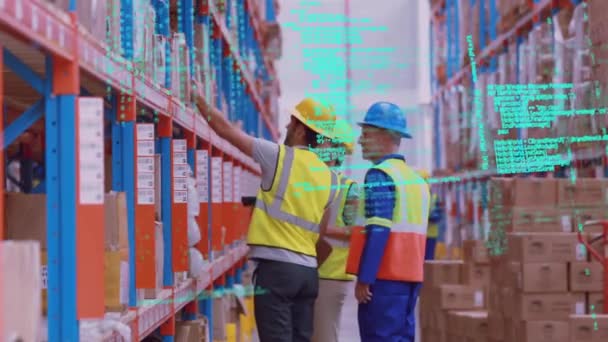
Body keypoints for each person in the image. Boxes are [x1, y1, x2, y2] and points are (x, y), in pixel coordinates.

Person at [195, 92, 339, 342]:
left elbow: (225, 130)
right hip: (308, 275)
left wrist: (197, 98)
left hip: (277, 271)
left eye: (291, 122)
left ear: (301, 129)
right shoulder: (331, 178)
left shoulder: (278, 156)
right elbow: (321, 230)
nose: (286, 126)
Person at [345, 101, 430, 342]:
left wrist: (366, 278)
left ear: (384, 136)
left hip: (383, 281)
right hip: (410, 279)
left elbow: (379, 229)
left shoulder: (380, 175)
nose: (360, 141)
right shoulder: (416, 181)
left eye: (366, 134)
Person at [312, 118, 360, 342]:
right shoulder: (311, 183)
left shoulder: (349, 188)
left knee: (324, 336)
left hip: (331, 275)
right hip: (309, 270)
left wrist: (321, 229)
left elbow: (353, 231)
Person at [416, 169, 443, 260]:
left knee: (426, 260)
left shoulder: (434, 197)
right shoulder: (417, 196)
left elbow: (438, 215)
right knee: (424, 261)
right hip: (421, 234)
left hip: (427, 234)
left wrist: (428, 218)